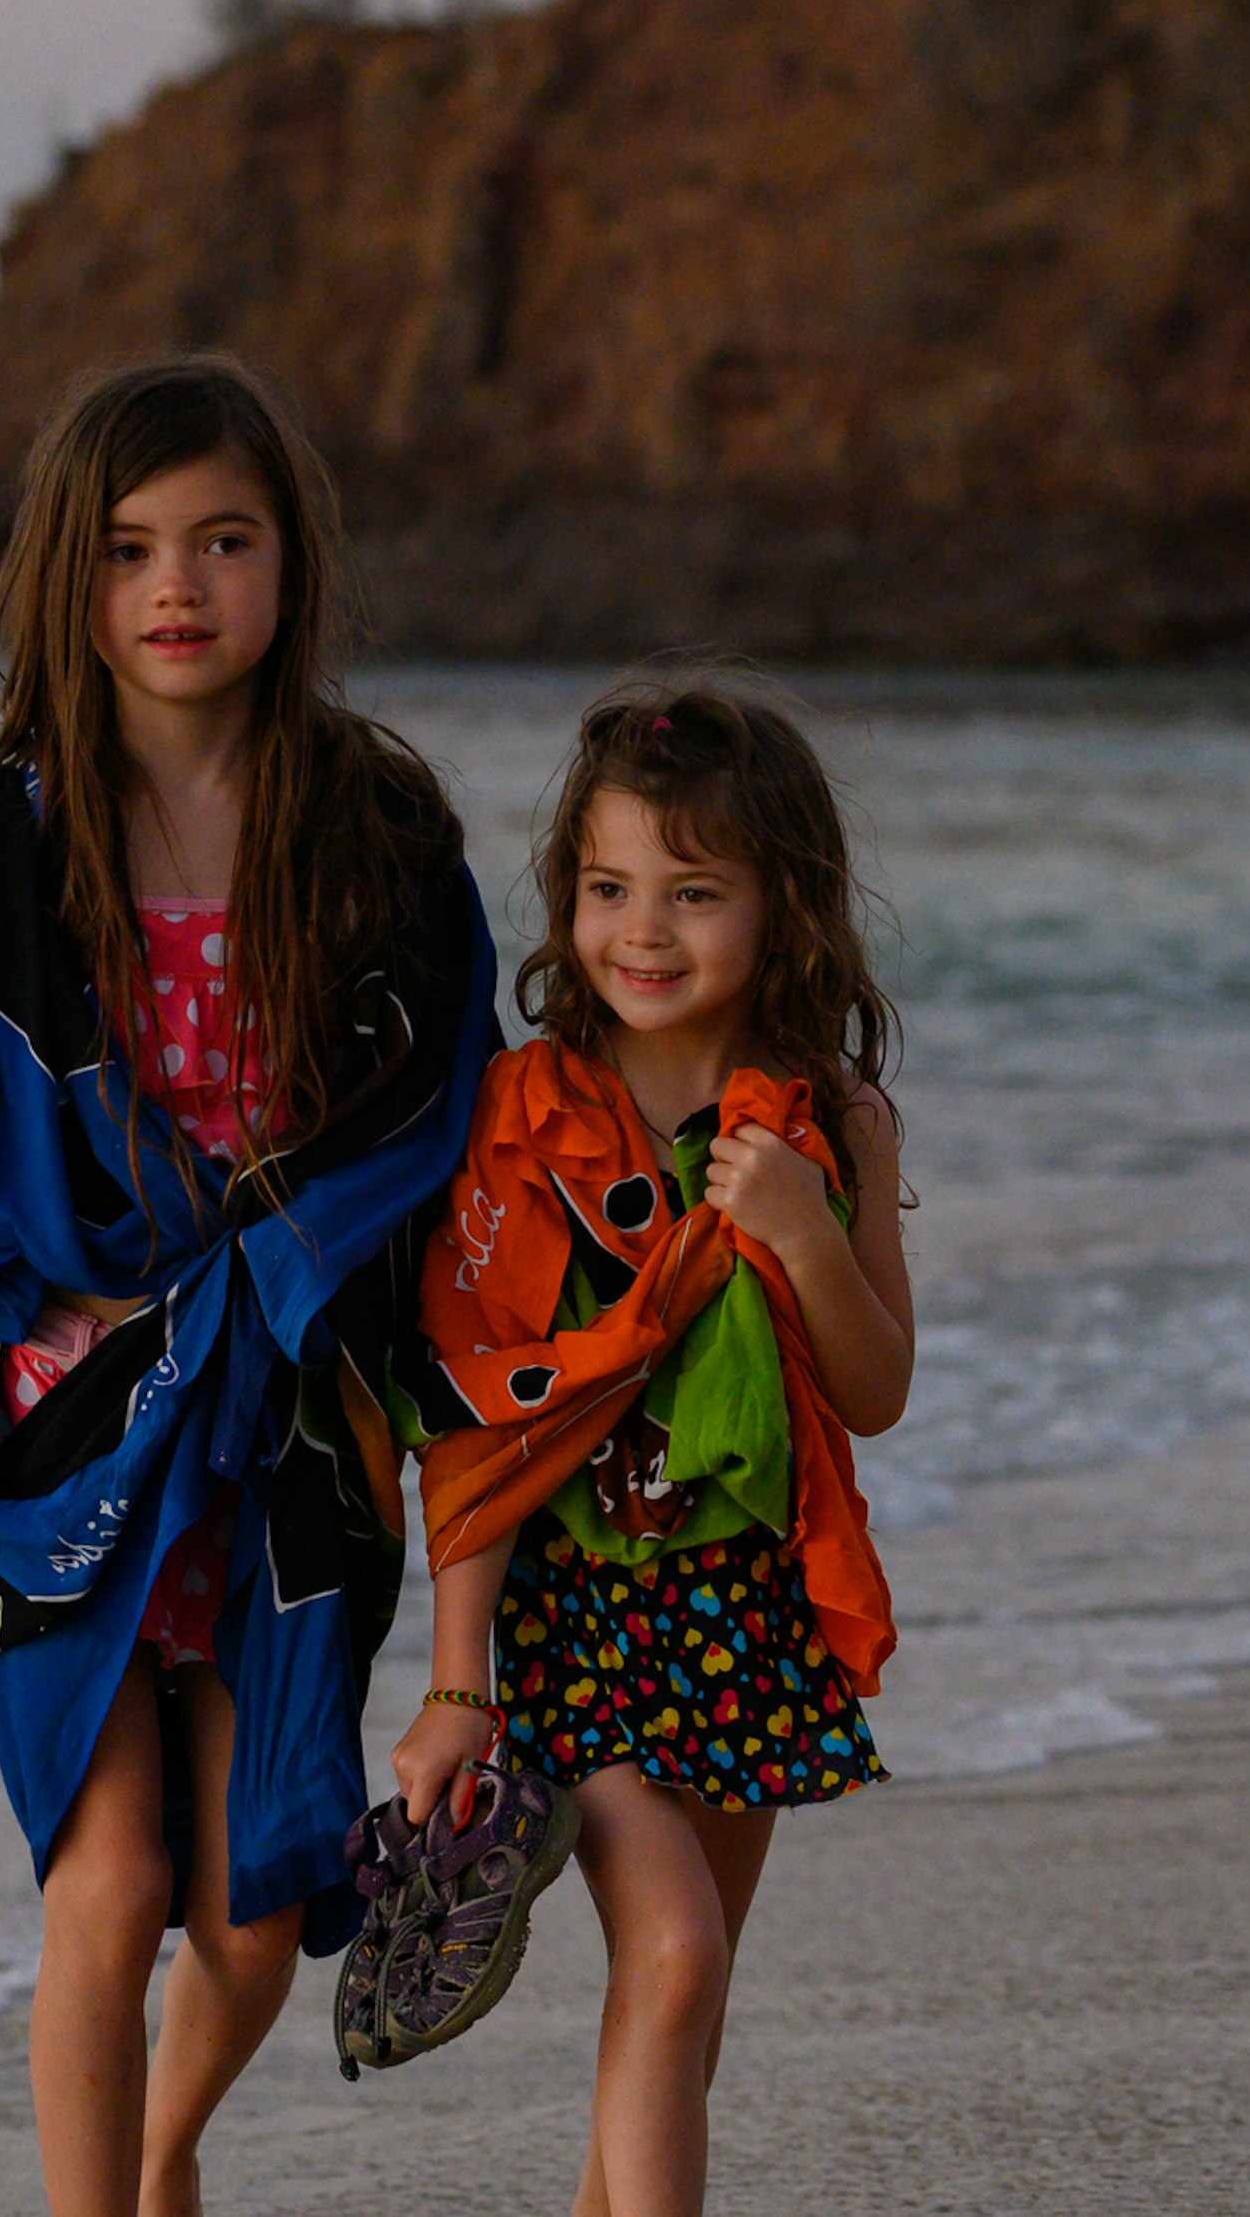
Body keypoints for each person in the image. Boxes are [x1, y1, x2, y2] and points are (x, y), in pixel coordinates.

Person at [0, 356, 494, 2217]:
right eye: (133, 547)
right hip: (62, 1431)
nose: (179, 585)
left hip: (298, 1431)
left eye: (224, 541)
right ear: (65, 581)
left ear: (289, 565)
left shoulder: (383, 837)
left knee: (251, 1912)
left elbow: (451, 1137)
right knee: (103, 1889)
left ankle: (163, 2158)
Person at [387, 676, 911, 2217]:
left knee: (686, 2007)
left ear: (784, 908)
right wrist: (454, 1686)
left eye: (696, 893)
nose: (646, 932)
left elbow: (873, 1389)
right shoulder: (524, 1112)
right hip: (576, 1623)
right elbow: (476, 1415)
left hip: (746, 1614)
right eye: (611, 888)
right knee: (670, 1960)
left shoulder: (835, 1118)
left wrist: (804, 1230)